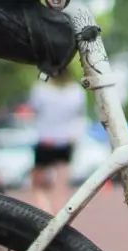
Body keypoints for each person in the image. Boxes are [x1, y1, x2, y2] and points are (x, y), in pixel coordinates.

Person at [27, 71, 86, 212]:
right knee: (61, 186)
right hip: (66, 139)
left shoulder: (40, 89)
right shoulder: (76, 91)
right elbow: (79, 115)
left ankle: (44, 210)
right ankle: (59, 213)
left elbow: (34, 109)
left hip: (46, 139)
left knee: (37, 185)